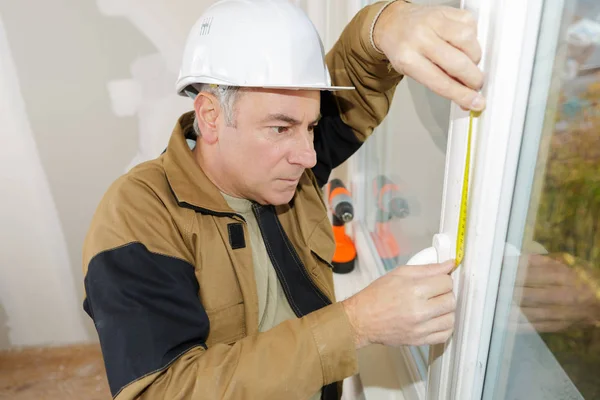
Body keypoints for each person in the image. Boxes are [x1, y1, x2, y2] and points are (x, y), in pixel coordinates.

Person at [82, 1, 485, 399]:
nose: (309, 156)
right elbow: (164, 390)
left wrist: (386, 23)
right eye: (280, 128)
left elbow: (357, 76)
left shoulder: (282, 172)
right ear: (210, 117)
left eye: (310, 126)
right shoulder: (138, 215)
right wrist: (356, 324)